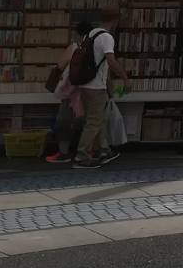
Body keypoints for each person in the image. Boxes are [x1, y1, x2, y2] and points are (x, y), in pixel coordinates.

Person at [71, 10, 128, 169]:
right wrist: (125, 78)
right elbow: (111, 61)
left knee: (96, 120)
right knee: (94, 122)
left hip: (85, 85)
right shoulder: (106, 37)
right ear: (115, 20)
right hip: (96, 87)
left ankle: (102, 150)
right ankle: (81, 156)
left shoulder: (91, 34)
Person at [45, 20, 90, 165]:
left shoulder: (75, 47)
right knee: (87, 123)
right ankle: (86, 151)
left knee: (63, 121)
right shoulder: (95, 48)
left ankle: (63, 153)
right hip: (89, 91)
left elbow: (61, 65)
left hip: (71, 91)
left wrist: (53, 83)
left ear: (77, 33)